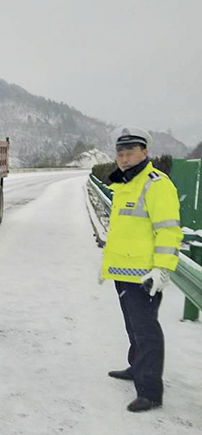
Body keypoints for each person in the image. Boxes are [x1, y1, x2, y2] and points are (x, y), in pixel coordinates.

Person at [99, 126, 183, 412]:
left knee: (146, 331)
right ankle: (136, 367)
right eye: (120, 153)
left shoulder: (156, 184)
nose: (124, 158)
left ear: (145, 152)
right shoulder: (124, 184)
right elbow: (125, 231)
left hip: (145, 275)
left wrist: (162, 269)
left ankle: (149, 392)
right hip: (123, 272)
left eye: (130, 152)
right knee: (133, 327)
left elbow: (169, 231)